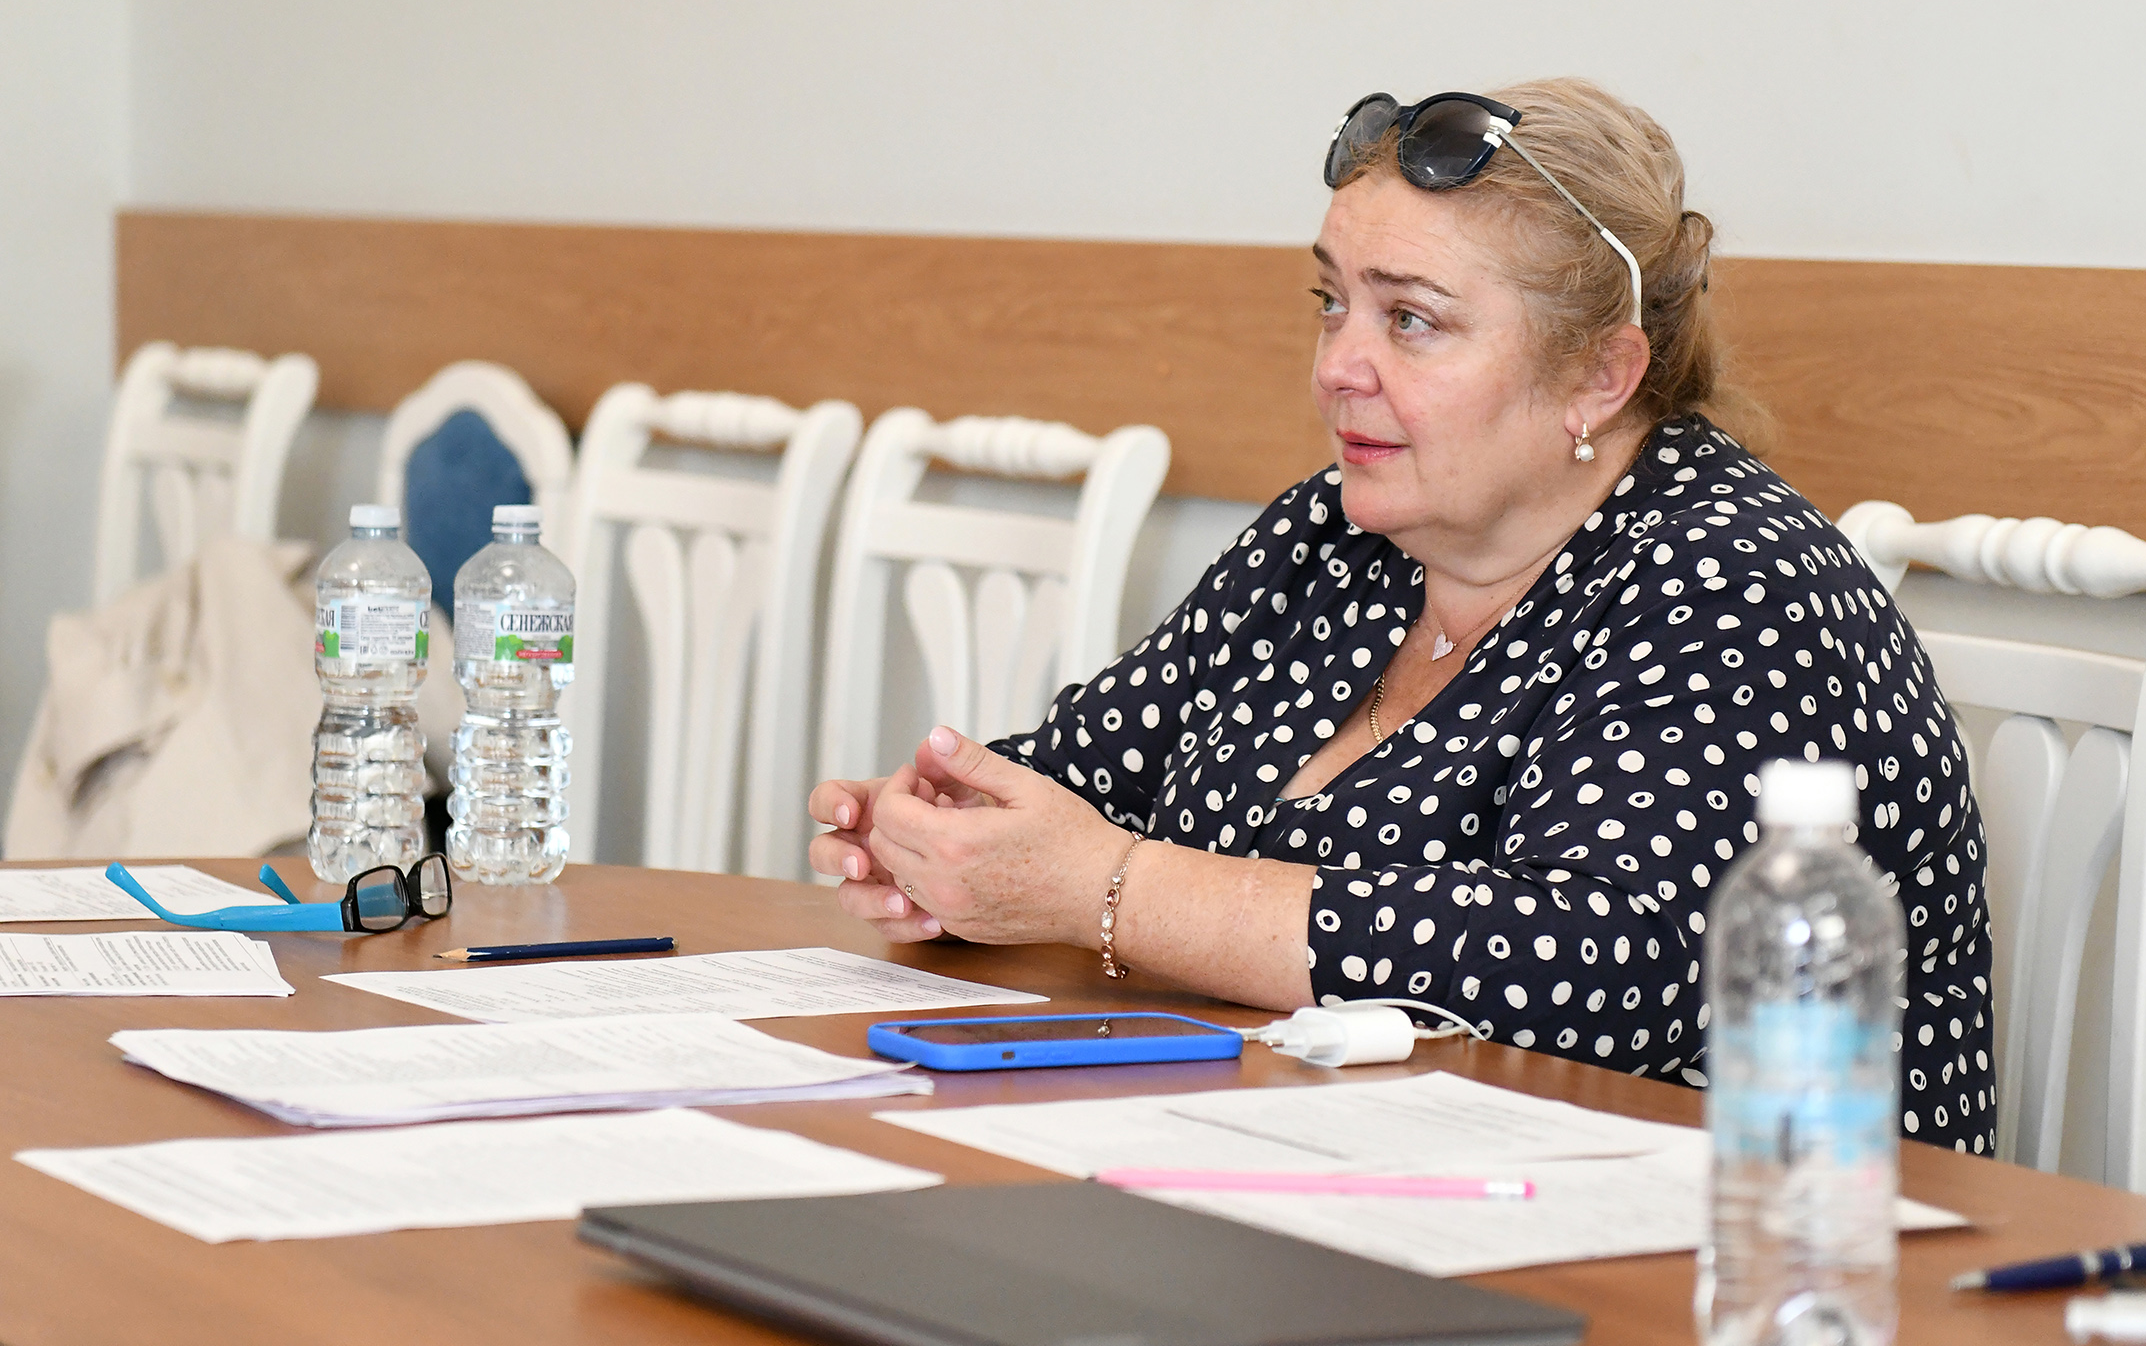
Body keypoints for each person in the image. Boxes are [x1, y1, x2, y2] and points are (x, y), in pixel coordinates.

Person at [810, 79, 1996, 1153]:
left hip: (1731, 1244)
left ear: (1599, 374)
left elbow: (1604, 966)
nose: (1338, 364)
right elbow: (1086, 775)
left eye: (1410, 320)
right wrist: (949, 834)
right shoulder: (1334, 535)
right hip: (1323, 1164)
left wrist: (1105, 886)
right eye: (1331, 303)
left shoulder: (1733, 582)